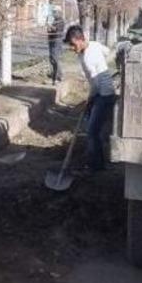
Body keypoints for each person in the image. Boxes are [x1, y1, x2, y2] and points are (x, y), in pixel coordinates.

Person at [64, 25, 115, 172]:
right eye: (70, 46)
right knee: (91, 124)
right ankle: (93, 156)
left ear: (80, 40)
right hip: (102, 92)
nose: (72, 48)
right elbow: (107, 51)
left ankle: (96, 166)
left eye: (73, 44)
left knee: (92, 131)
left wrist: (89, 100)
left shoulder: (87, 57)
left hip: (104, 94)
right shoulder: (93, 45)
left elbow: (96, 84)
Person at [47, 9, 65, 85]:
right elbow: (51, 31)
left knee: (55, 58)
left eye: (55, 12)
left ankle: (58, 76)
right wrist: (48, 29)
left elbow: (57, 30)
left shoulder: (61, 21)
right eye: (53, 12)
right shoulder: (55, 20)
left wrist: (50, 26)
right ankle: (55, 75)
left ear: (59, 13)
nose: (54, 14)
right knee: (51, 59)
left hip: (56, 41)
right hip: (52, 40)